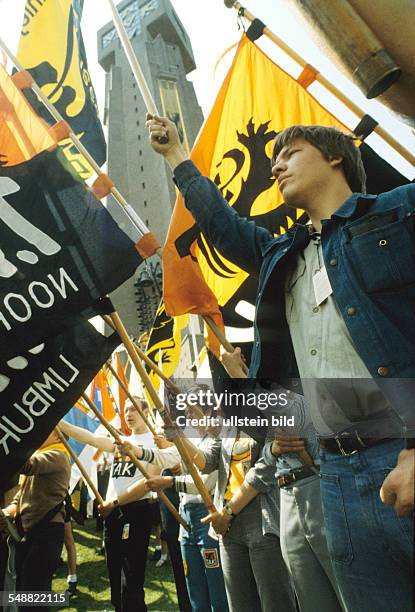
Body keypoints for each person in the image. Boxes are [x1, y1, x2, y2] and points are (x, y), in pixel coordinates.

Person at [146, 115, 414, 612]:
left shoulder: (399, 212)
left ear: (335, 157)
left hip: (402, 446)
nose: (275, 167)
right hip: (334, 470)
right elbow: (222, 228)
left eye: (289, 154)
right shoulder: (281, 257)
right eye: (272, 161)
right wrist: (177, 158)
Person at [116, 396, 230, 612]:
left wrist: (169, 481)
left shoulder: (216, 441)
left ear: (208, 412)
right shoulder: (189, 439)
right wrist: (137, 451)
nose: (188, 416)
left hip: (207, 517)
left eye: (193, 411)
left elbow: (204, 483)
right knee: (193, 582)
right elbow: (164, 457)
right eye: (186, 412)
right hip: (185, 518)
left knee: (215, 584)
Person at [59, 398, 159, 612]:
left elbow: (147, 483)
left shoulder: (154, 443)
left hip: (135, 511)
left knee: (130, 573)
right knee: (114, 567)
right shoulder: (120, 441)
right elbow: (92, 439)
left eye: (133, 409)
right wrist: (61, 424)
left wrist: (113, 502)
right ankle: (119, 607)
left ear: (146, 412)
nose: (128, 414)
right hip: (112, 514)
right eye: (125, 410)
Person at [0, 430, 71, 612]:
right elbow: (20, 497)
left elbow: (28, 466)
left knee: (33, 593)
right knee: (27, 593)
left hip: (46, 532)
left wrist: (11, 446)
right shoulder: (43, 455)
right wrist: (8, 512)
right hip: (32, 533)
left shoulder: (59, 455)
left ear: (58, 436)